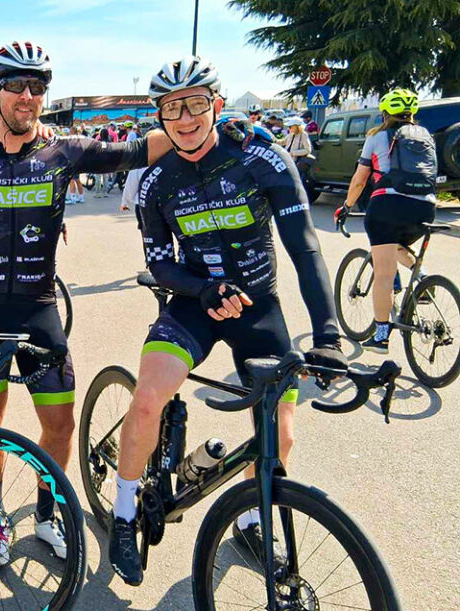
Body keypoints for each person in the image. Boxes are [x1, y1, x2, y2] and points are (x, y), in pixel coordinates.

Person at [0, 40, 192, 567]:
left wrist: (214, 128)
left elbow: (142, 149)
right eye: (16, 86)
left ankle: (46, 514)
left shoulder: (64, 152)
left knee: (60, 425)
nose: (27, 96)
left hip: (39, 308)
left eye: (37, 87)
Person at [107, 55, 346, 586]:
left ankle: (252, 520)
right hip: (193, 304)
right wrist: (202, 288)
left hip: (258, 307)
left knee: (279, 434)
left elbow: (306, 248)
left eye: (195, 104)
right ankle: (123, 514)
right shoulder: (156, 181)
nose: (185, 118)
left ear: (216, 104)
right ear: (160, 117)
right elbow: (160, 263)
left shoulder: (261, 159)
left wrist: (328, 336)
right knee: (147, 399)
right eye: (172, 108)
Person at [336, 88, 437, 353]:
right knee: (397, 245)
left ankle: (381, 336)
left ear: (385, 113)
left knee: (384, 273)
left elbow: (359, 180)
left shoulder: (377, 136)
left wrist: (346, 207)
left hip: (388, 206)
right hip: (426, 207)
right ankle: (422, 277)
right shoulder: (426, 136)